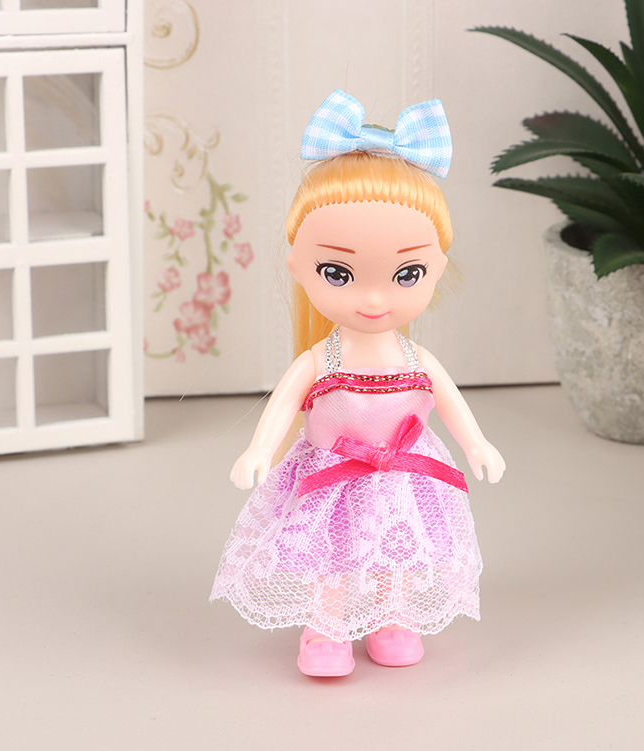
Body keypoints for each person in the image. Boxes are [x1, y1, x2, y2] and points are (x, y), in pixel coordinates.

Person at [211, 90, 505, 677]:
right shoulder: (321, 360)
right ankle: (326, 628)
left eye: (407, 273)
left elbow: (449, 402)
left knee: (398, 547)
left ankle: (394, 618)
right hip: (334, 472)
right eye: (337, 272)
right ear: (298, 266)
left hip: (402, 472)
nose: (373, 298)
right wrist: (259, 449)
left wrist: (477, 444)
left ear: (437, 268)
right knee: (332, 553)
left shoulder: (416, 358)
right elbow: (283, 406)